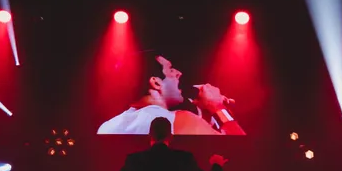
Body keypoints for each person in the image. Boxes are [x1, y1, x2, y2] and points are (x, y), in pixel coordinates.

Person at [98, 56, 245, 135]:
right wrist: (217, 107)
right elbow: (237, 147)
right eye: (170, 69)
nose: (178, 73)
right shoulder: (180, 120)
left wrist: (206, 115)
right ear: (156, 83)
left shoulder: (107, 126)